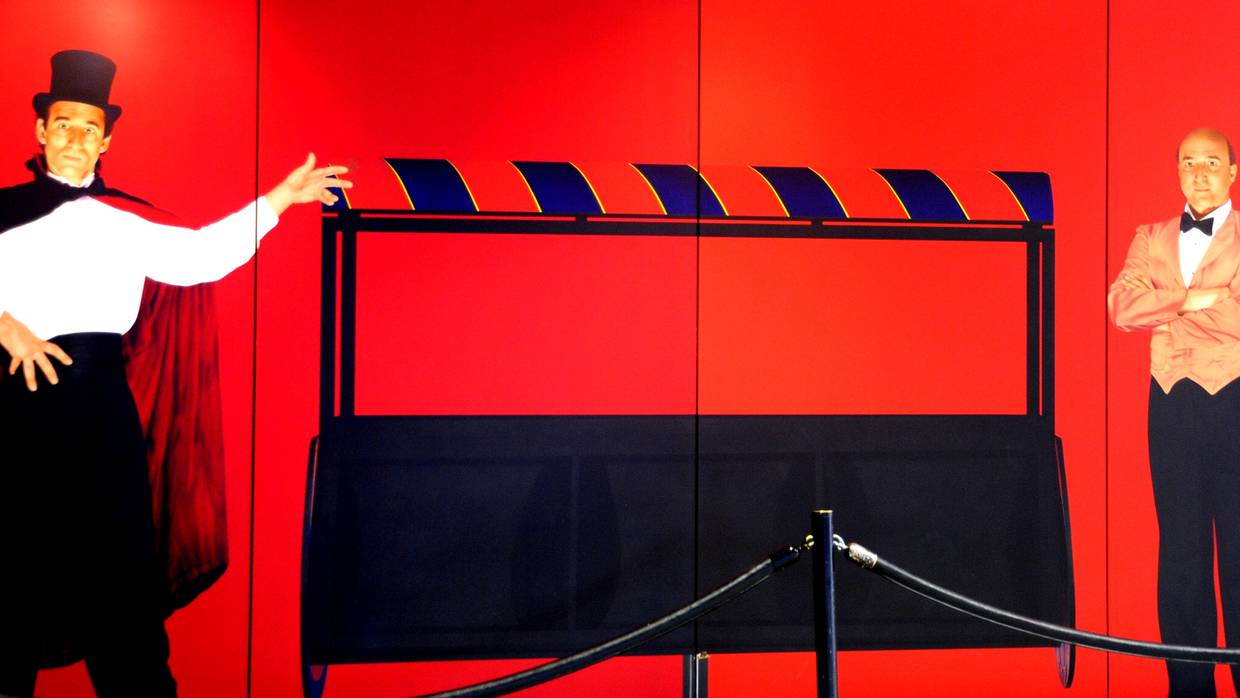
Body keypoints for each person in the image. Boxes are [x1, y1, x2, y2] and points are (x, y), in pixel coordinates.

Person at [0, 50, 351, 697]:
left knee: (120, 588)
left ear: (106, 140)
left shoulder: (126, 221)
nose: (75, 138)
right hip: (15, 418)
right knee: (9, 579)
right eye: (63, 124)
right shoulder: (0, 214)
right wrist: (4, 326)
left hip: (104, 419)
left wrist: (282, 198)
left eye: (88, 127)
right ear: (41, 131)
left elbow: (202, 256)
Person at [1109, 127, 1240, 697]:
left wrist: (1164, 307)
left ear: (1232, 172)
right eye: (1189, 162)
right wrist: (1198, 299)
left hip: (1235, 397)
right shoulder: (1151, 236)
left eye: (1211, 162)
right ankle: (1188, 687)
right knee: (1181, 549)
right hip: (1169, 402)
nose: (1200, 172)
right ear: (1178, 171)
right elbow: (1120, 307)